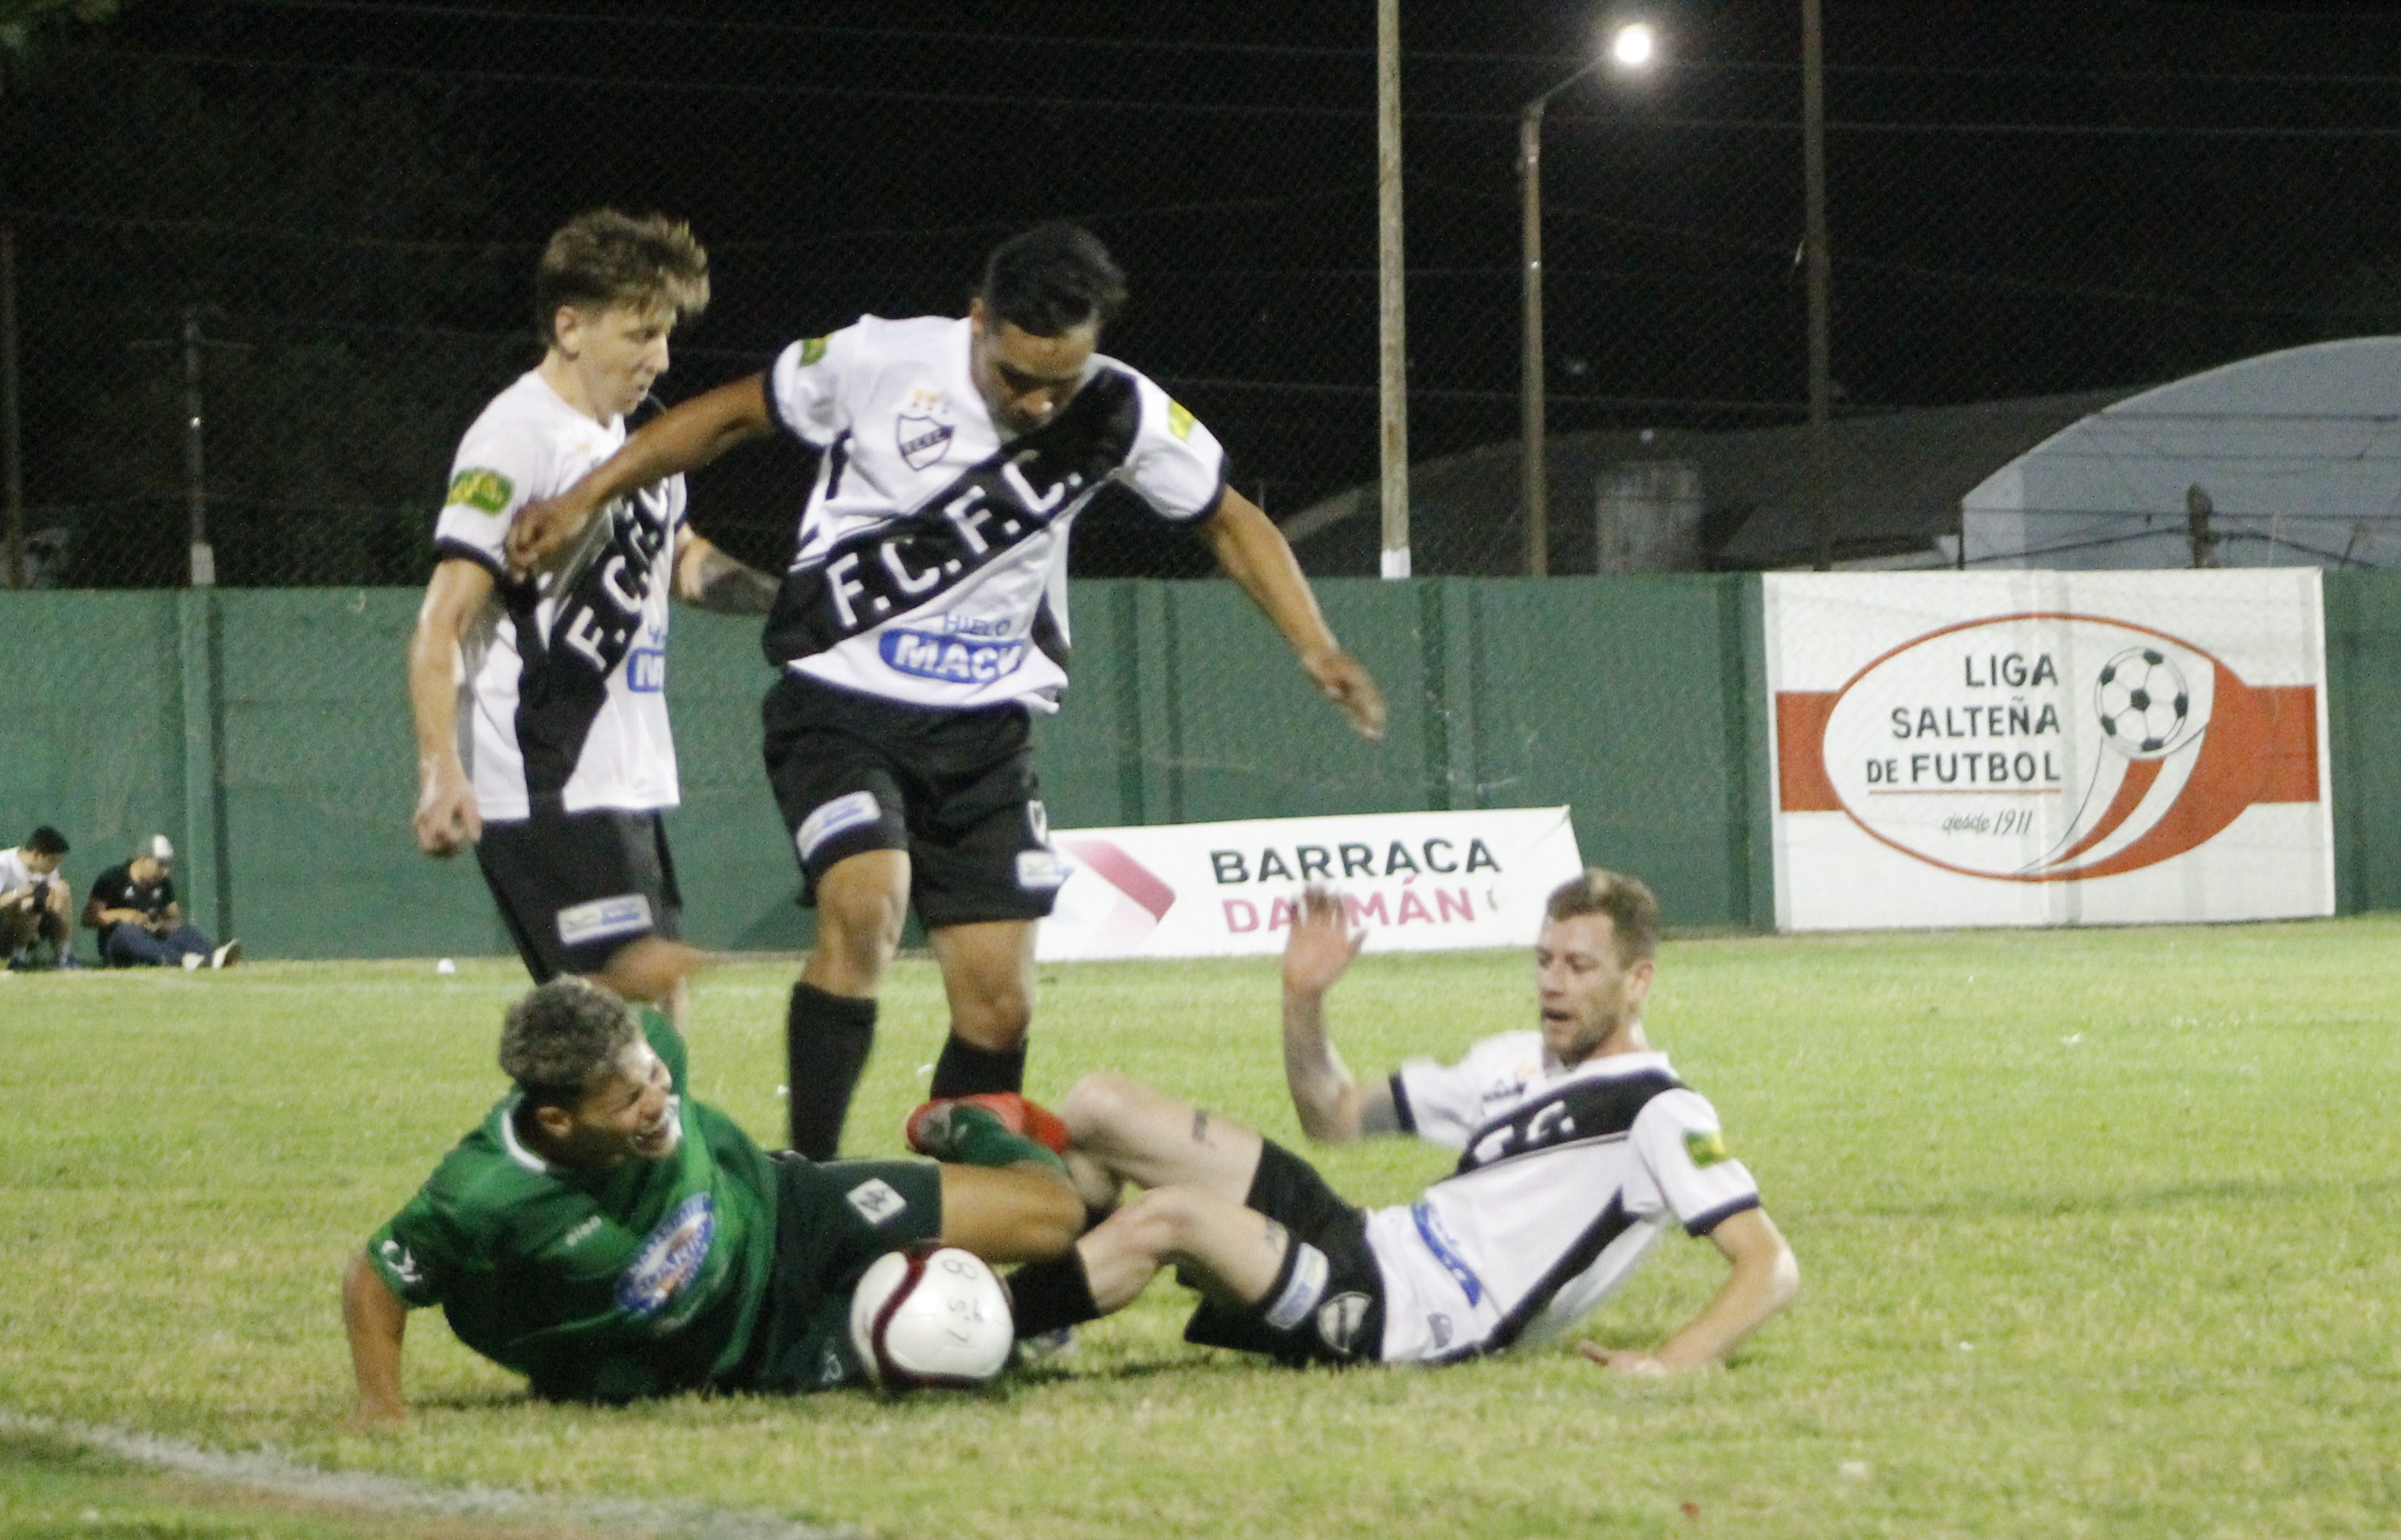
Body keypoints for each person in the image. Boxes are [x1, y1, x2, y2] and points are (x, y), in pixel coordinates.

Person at [509, 222, 1388, 1162]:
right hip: (838, 707)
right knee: (867, 900)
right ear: (977, 320)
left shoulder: (1117, 409)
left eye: (1064, 377)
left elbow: (1228, 516)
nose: (1042, 401)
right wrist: (586, 494)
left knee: (999, 1005)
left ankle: (965, 1206)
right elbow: (727, 414)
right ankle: (810, 1178)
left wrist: (1315, 644)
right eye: (1017, 378)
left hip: (985, 735)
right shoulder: (879, 359)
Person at [991, 872, 1799, 1376]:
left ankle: (970, 1328)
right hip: (1365, 1240)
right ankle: (1049, 1319)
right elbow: (1332, 1114)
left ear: (1637, 981)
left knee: (1169, 1217)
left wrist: (1665, 1363)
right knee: (1100, 1106)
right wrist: (1303, 1000)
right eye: (1544, 959)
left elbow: (1767, 1265)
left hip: (1403, 1316)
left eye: (1578, 966)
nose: (1551, 983)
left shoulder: (1658, 1110)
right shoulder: (1513, 1060)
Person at [342, 977, 1084, 1424]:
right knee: (931, 1360)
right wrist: (382, 1407)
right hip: (746, 1352)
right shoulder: (481, 1193)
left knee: (1055, 1215)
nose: (659, 1101)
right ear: (557, 1122)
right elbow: (377, 1277)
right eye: (630, 1099)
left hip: (793, 1210)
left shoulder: (648, 1044)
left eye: (655, 1075)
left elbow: (649, 1020)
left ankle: (965, 1120)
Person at [406, 209, 779, 1011]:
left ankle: (564, 1133)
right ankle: (530, 1138)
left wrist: (787, 602)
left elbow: (680, 559)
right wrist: (440, 766)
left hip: (624, 776)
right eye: (641, 334)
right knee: (624, 1027)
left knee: (634, 1033)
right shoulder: (514, 436)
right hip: (545, 779)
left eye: (666, 334)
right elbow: (442, 619)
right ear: (570, 327)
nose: (661, 358)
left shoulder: (636, 440)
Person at [82, 835, 238, 969]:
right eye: (160, 865)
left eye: (169, 866)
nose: (165, 872)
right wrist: (124, 915)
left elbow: (175, 918)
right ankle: (180, 960)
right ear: (143, 859)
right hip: (118, 943)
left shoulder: (163, 884)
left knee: (180, 930)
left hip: (153, 936)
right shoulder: (113, 879)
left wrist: (161, 925)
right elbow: (89, 918)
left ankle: (213, 956)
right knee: (125, 932)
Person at [0, 825, 78, 968]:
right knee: (28, 903)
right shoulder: (4, 864)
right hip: (5, 928)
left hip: (34, 927)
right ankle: (18, 958)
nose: (55, 866)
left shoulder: (47, 872)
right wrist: (17, 894)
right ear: (37, 855)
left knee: (61, 889)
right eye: (52, 860)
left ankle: (63, 957)